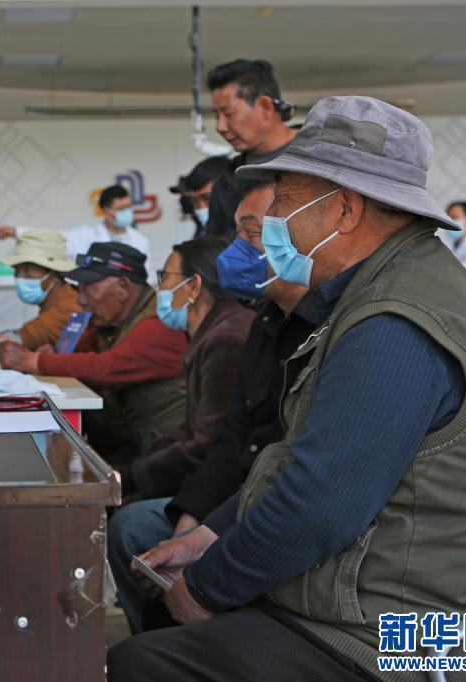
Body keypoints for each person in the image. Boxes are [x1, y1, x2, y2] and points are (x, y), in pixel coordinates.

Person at [109, 96, 466, 681]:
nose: (274, 218)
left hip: (430, 636)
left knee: (142, 663)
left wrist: (208, 586)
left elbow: (320, 504)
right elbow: (301, 457)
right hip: (381, 599)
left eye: (285, 200)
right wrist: (211, 536)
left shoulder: (394, 322)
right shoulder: (383, 289)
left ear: (344, 209)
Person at [108, 179, 315, 635]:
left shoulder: (242, 334)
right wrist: (190, 518)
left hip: (266, 505)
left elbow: (279, 464)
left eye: (251, 233)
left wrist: (199, 527)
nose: (235, 250)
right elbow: (229, 440)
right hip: (231, 492)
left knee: (133, 526)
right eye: (236, 233)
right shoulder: (263, 324)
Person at [0, 243, 187, 464]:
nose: (81, 300)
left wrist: (34, 361)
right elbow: (77, 355)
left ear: (123, 288)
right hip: (133, 446)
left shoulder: (160, 324)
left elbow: (108, 366)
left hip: (163, 458)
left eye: (89, 289)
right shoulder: (111, 324)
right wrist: (54, 355)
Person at [120, 238, 255, 500]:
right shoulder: (217, 330)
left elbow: (207, 444)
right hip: (204, 475)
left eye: (165, 278)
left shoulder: (225, 340)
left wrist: (131, 479)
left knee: (129, 520)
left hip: (223, 489)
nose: (160, 289)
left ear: (193, 286)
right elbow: (191, 430)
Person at [202, 58, 298, 242]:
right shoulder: (227, 182)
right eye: (216, 116)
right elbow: (216, 244)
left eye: (228, 113)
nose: (220, 127)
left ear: (265, 107)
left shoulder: (321, 158)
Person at [0, 184, 152, 277]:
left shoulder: (140, 241)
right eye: (121, 209)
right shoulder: (85, 235)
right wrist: (16, 231)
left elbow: (147, 275)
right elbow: (52, 238)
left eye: (128, 207)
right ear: (105, 211)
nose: (127, 212)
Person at [0, 229, 81, 350]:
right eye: (17, 270)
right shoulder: (63, 298)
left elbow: (6, 343)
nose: (20, 278)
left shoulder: (66, 310)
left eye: (28, 270)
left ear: (55, 273)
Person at [169, 156, 232, 237]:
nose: (200, 208)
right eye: (194, 200)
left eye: (207, 198)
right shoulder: (203, 231)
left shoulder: (244, 235)